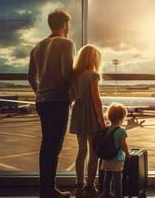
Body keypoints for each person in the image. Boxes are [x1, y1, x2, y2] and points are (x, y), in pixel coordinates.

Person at [27, 9, 74, 198]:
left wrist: (40, 92)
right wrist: (72, 94)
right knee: (54, 148)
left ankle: (45, 189)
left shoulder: (36, 47)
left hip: (43, 102)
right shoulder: (65, 43)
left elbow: (31, 77)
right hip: (58, 101)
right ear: (64, 25)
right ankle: (49, 190)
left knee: (46, 145)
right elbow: (67, 72)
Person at [69, 45, 105, 197]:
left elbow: (71, 96)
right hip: (90, 113)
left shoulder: (75, 75)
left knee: (81, 150)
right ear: (94, 58)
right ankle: (90, 186)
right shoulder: (93, 75)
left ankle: (79, 184)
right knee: (94, 152)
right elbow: (96, 100)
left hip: (78, 112)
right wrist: (102, 121)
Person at [100, 103, 131, 198]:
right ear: (122, 118)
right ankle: (118, 195)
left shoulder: (106, 129)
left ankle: (106, 193)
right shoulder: (121, 131)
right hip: (117, 159)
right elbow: (123, 145)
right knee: (117, 178)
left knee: (107, 177)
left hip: (107, 158)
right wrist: (127, 153)